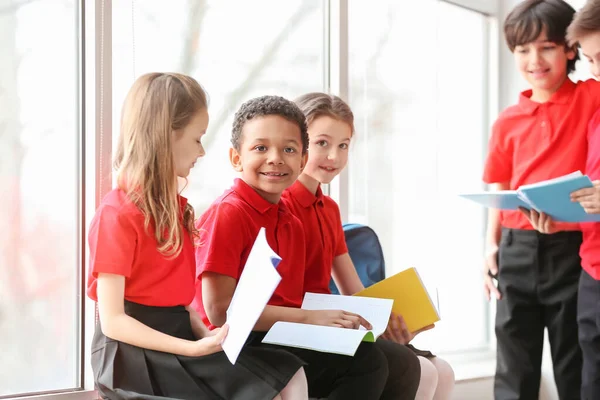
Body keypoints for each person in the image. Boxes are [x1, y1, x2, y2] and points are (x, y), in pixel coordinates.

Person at [87, 73, 308, 400]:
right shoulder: (116, 214)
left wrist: (207, 336)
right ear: (166, 137)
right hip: (132, 354)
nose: (202, 151)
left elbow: (179, 302)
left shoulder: (177, 211)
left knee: (289, 372)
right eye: (197, 138)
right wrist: (192, 349)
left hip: (179, 334)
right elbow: (114, 322)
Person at [193, 95, 419, 399]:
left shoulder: (290, 221)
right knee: (366, 363)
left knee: (401, 363)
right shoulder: (229, 212)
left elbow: (293, 301)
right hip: (232, 342)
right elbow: (220, 311)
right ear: (236, 158)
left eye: (288, 149)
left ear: (301, 160)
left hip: (277, 333)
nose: (275, 158)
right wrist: (310, 319)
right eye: (261, 148)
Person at [282, 92, 454, 400]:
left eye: (343, 145)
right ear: (297, 142)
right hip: (303, 327)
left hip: (331, 325)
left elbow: (354, 292)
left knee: (442, 369)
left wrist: (393, 321)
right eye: (322, 143)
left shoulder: (329, 210)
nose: (334, 156)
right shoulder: (282, 206)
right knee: (423, 371)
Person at [482, 1, 600, 398]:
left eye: (547, 46)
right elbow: (499, 187)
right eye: (522, 50)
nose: (535, 60)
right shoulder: (506, 121)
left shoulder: (592, 96)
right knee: (513, 366)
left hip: (572, 251)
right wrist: (490, 246)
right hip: (516, 250)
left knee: (575, 364)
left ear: (570, 49)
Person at [525, 2, 600, 398]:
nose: (597, 71)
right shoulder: (596, 119)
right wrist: (560, 216)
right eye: (591, 60)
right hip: (592, 270)